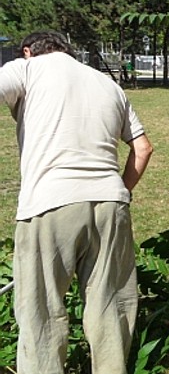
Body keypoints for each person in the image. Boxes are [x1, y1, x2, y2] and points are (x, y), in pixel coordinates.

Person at [0, 31, 153, 374]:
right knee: (110, 304)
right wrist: (122, 190)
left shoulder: (27, 69)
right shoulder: (107, 84)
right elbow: (143, 149)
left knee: (40, 310)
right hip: (110, 203)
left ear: (28, 51)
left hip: (48, 204)